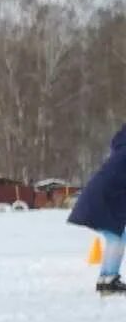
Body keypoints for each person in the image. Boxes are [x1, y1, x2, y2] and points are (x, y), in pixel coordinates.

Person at [68, 123, 126, 295]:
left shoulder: (120, 152)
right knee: (117, 237)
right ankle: (108, 280)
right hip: (101, 201)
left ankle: (106, 278)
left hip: (99, 200)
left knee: (116, 237)